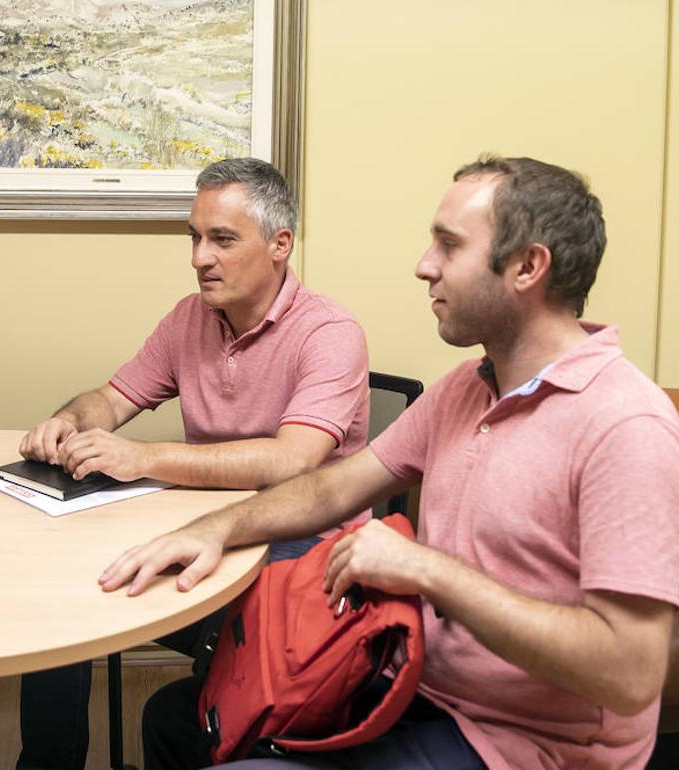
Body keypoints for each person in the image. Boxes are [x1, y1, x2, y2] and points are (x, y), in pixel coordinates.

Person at [100, 156, 679, 770]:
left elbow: (631, 674)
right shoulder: (465, 388)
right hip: (415, 683)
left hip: (518, 745)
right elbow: (330, 490)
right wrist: (211, 530)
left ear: (528, 268)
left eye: (449, 246)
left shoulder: (625, 425)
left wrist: (428, 570)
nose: (424, 265)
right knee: (175, 720)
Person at [14, 158, 370, 770]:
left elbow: (293, 461)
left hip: (302, 564)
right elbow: (113, 398)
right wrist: (70, 420)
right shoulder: (189, 318)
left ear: (280, 245)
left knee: (177, 693)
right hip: (207, 536)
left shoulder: (330, 332)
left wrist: (143, 457)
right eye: (195, 237)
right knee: (61, 605)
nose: (200, 257)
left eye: (222, 240)